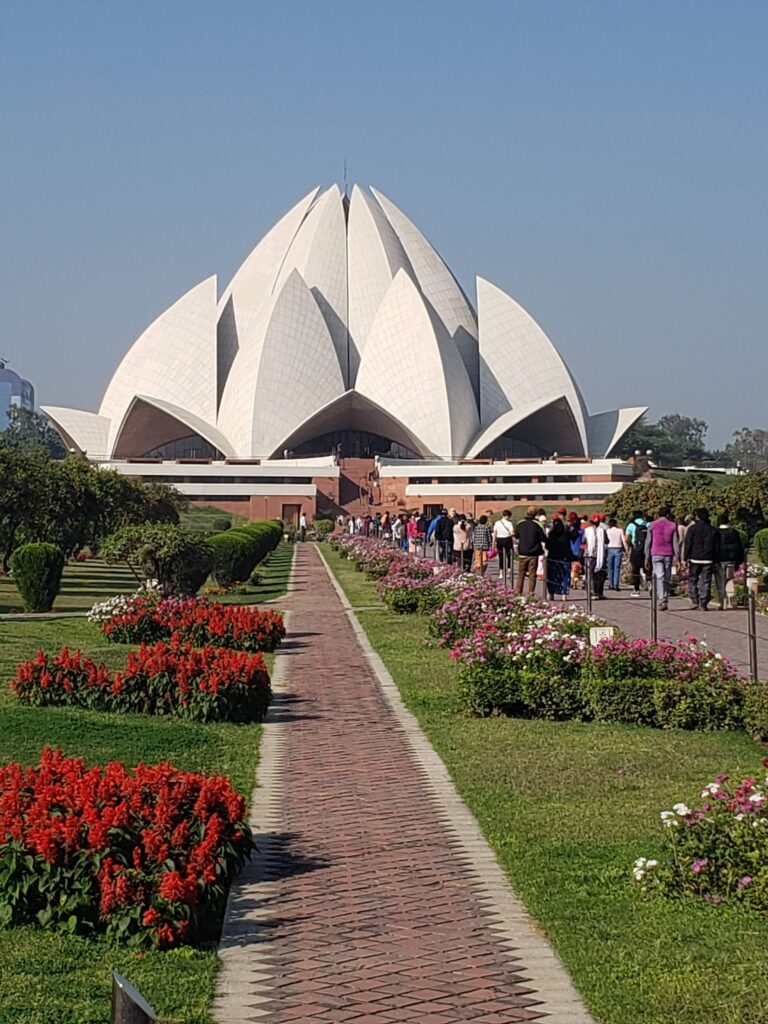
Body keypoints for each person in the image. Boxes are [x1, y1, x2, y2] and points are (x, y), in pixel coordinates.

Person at [683, 507, 720, 611]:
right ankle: (703, 601)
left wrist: (685, 558)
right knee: (706, 580)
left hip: (695, 558)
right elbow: (717, 547)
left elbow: (688, 544)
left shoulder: (693, 528)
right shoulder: (713, 530)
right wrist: (716, 560)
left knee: (693, 579)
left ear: (697, 517)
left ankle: (695, 599)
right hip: (708, 558)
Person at [645, 506, 680, 610]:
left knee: (659, 576)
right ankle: (664, 596)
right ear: (668, 514)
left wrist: (646, 557)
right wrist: (677, 557)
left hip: (656, 553)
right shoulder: (673, 525)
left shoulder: (652, 525)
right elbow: (675, 543)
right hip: (668, 554)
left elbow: (648, 543)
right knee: (666, 577)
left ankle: (662, 598)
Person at [714, 513, 745, 611]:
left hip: (719, 560)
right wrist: (740, 560)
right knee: (730, 580)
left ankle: (722, 603)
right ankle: (732, 601)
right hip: (732, 559)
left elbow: (713, 547)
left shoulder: (716, 532)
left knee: (720, 582)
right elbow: (740, 547)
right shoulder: (734, 532)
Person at [514, 506, 544, 597]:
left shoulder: (520, 523)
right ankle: (531, 592)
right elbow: (543, 537)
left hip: (522, 552)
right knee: (532, 574)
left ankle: (518, 592)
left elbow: (516, 536)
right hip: (533, 553)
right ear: (535, 514)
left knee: (521, 574)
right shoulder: (537, 524)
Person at [544, 516, 571, 601]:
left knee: (551, 576)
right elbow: (568, 547)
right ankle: (564, 594)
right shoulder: (565, 534)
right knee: (565, 576)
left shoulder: (551, 535)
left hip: (552, 557)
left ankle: (551, 594)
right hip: (564, 558)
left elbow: (547, 546)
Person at [583, 513, 607, 598]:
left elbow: (583, 541)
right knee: (599, 575)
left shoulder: (587, 530)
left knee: (589, 575)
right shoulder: (602, 531)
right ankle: (598, 593)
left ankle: (590, 592)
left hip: (589, 555)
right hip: (599, 556)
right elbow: (607, 541)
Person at [625, 512, 648, 597]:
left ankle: (636, 589)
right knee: (647, 567)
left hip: (636, 548)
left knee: (635, 569)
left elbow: (626, 538)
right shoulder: (647, 524)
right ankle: (648, 580)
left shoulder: (631, 525)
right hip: (646, 549)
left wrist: (630, 545)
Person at [605, 518, 627, 591]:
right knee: (617, 568)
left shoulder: (607, 531)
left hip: (610, 548)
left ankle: (610, 584)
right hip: (618, 548)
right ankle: (616, 584)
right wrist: (626, 549)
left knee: (610, 567)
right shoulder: (620, 530)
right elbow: (623, 541)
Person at [492, 509, 515, 580]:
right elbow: (511, 533)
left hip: (499, 540)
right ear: (507, 516)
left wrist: (493, 543)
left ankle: (501, 573)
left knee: (501, 557)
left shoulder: (497, 523)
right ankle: (508, 571)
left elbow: (495, 533)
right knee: (509, 556)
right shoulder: (509, 523)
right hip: (507, 539)